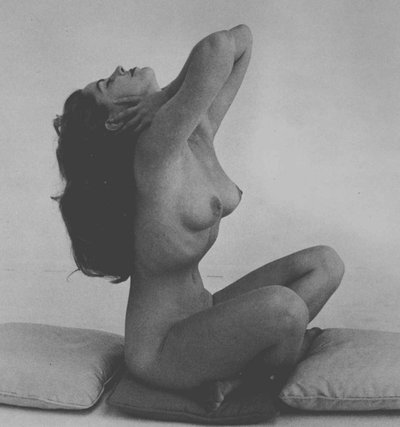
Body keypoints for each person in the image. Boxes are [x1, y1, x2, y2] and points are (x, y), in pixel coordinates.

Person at [54, 25, 344, 411]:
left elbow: (241, 41)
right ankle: (248, 377)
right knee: (286, 308)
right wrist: (164, 97)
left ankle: (246, 365)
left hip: (203, 312)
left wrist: (163, 97)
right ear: (114, 120)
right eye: (109, 83)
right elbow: (217, 47)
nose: (120, 69)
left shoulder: (193, 129)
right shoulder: (153, 151)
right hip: (161, 349)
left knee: (325, 264)